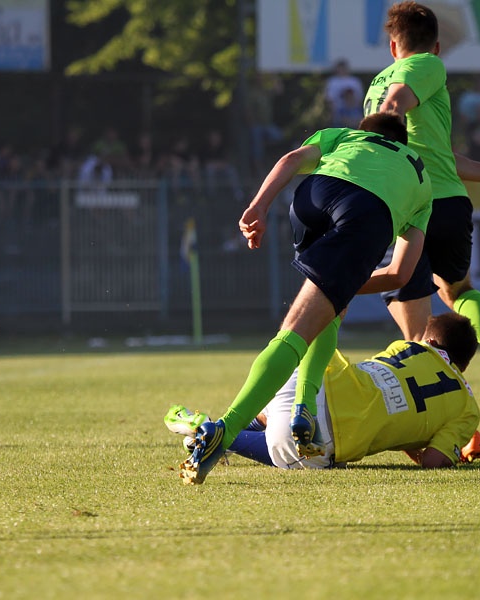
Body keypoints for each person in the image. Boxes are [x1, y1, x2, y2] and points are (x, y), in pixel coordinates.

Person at [180, 112, 433, 485]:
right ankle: (226, 430)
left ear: (366, 132)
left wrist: (259, 206)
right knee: (300, 328)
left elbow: (289, 161)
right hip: (366, 213)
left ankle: (303, 411)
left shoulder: (344, 137)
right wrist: (338, 286)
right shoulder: (420, 177)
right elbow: (400, 274)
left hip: (312, 196)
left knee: (332, 310)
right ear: (403, 143)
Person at [360, 1, 480, 418]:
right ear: (438, 45)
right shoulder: (430, 67)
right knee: (458, 291)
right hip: (448, 201)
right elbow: (445, 157)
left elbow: (394, 106)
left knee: (415, 335)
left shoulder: (385, 81)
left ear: (394, 47)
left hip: (411, 204)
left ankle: (456, 418)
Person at [170, 313, 480, 472]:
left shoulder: (408, 346)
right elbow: (432, 461)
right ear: (465, 365)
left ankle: (223, 425)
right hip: (327, 431)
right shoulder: (467, 408)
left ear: (429, 341)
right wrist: (452, 453)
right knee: (311, 458)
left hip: (309, 370)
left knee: (281, 413)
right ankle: (212, 431)